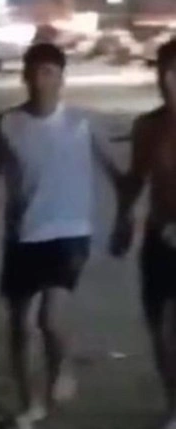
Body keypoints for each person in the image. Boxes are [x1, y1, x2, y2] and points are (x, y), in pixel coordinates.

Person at [0, 43, 120, 429]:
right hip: (22, 236)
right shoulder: (7, 124)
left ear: (62, 78)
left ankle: (63, 367)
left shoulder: (82, 122)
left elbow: (117, 174)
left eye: (49, 73)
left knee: (50, 317)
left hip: (69, 233)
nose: (40, 82)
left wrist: (128, 216)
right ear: (24, 77)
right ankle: (30, 404)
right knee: (19, 325)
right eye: (34, 73)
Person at [111, 39, 176, 429]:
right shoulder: (148, 126)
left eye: (175, 72)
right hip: (158, 236)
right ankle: (173, 404)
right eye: (161, 71)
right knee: (158, 327)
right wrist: (122, 222)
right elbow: (136, 180)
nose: (167, 81)